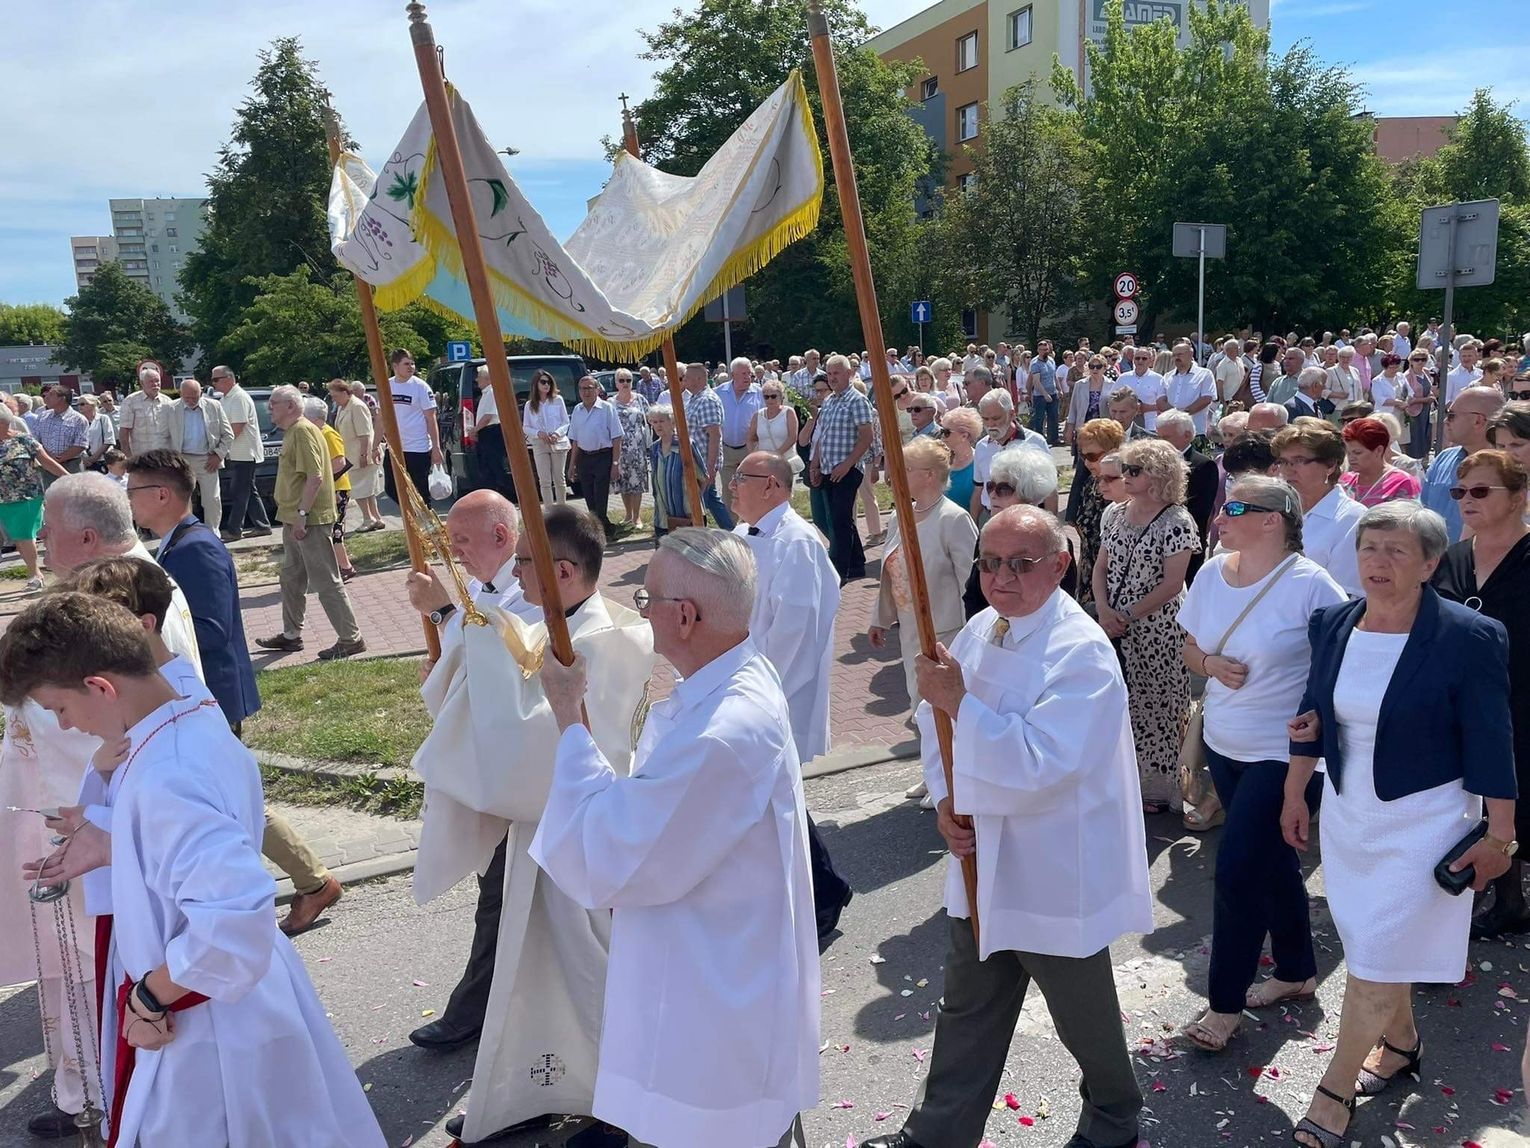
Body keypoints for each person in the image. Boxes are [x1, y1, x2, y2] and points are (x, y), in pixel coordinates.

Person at [1, 592, 389, 1148]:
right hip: (230, 999)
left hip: (207, 1024)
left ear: (101, 687)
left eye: (59, 708)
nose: (64, 725)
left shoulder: (167, 775)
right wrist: (114, 844)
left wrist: (149, 998)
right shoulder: (188, 715)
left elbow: (234, 920)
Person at [861, 506, 1152, 1148]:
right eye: (990, 563)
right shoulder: (982, 629)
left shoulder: (1080, 652)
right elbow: (938, 728)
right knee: (969, 1004)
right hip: (980, 852)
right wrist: (946, 799)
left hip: (1052, 861)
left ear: (1060, 565)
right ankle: (938, 1133)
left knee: (1080, 1012)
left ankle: (1114, 1119)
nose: (1001, 578)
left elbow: (1046, 762)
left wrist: (959, 702)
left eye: (1021, 564)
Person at [530, 528, 819, 1148]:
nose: (641, 610)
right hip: (714, 958)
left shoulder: (723, 730)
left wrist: (568, 715)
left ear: (685, 617)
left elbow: (609, 852)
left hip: (711, 990)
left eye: (647, 598)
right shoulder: (739, 674)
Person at [415, 505, 653, 1145]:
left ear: (564, 571)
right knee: (534, 976)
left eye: (524, 563)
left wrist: (470, 648)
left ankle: (621, 1102)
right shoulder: (560, 628)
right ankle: (533, 1091)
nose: (515, 575)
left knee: (589, 973)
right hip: (543, 833)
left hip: (580, 838)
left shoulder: (597, 642)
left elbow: (541, 741)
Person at [1282, 501, 1516, 1148]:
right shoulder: (1334, 622)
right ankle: (1404, 1044)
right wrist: (1296, 790)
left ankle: (1334, 1091)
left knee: (1379, 954)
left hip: (1427, 820)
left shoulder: (1468, 635)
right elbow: (1314, 709)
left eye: (1395, 551)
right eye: (1369, 548)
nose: (1377, 562)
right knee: (1375, 947)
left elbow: (1491, 738)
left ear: (1430, 564)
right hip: (1351, 815)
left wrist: (1500, 835)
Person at [1176, 476, 1346, 1052]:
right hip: (1223, 743)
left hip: (1283, 755)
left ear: (1273, 519)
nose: (1219, 516)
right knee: (1271, 864)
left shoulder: (1312, 585)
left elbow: (1338, 668)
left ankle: (1223, 1006)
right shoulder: (1209, 574)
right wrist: (1210, 664)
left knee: (1238, 871)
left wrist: (1315, 728)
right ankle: (1296, 970)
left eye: (1235, 507)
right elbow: (1189, 647)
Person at [401, 491, 542, 1055]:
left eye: (460, 540)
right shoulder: (486, 586)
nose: (452, 552)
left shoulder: (528, 589)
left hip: (524, 770)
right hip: (492, 761)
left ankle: (475, 1013)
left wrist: (442, 613)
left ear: (501, 536)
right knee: (504, 890)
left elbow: (509, 654)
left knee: (505, 893)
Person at [731, 451, 854, 940]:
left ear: (773, 486)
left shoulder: (797, 543)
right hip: (743, 682)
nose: (732, 485)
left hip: (774, 687)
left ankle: (824, 892)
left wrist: (758, 690)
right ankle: (808, 890)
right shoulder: (744, 534)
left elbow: (795, 630)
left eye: (742, 478)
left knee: (774, 793)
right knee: (767, 795)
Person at [1432, 450, 1530, 938]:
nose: (1466, 500)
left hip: (1522, 698)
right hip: (1461, 703)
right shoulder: (1453, 557)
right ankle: (1505, 899)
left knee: (1519, 795)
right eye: (1459, 491)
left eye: (1480, 491)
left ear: (1518, 497)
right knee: (1479, 798)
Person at [1094, 438, 1198, 812]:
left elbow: (1172, 584)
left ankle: (1165, 786)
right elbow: (1100, 567)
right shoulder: (1115, 514)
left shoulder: (1177, 521)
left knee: (1162, 706)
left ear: (1158, 475)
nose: (1125, 476)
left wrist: (1125, 615)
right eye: (1125, 469)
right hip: (1116, 625)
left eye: (1134, 470)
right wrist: (1104, 610)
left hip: (1160, 629)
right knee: (1125, 705)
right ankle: (1127, 780)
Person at [40, 471, 201, 666]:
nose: (40, 534)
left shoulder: (125, 600)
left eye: (49, 527)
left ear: (87, 538)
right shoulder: (139, 580)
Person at [869, 437, 978, 719]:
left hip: (947, 633)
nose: (895, 476)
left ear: (929, 475)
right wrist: (879, 619)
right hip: (909, 631)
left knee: (942, 714)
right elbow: (892, 572)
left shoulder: (953, 519)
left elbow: (970, 583)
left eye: (905, 469)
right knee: (920, 709)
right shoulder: (900, 516)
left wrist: (972, 636)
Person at [253, 385, 364, 660]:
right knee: (291, 578)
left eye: (274, 403)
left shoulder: (302, 431)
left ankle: (351, 639)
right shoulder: (294, 431)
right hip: (294, 518)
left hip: (309, 520)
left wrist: (302, 515)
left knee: (326, 580)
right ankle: (291, 636)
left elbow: (315, 477)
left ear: (291, 406)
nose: (269, 408)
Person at [1268, 420, 1364, 596]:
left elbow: (1344, 594)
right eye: (1283, 461)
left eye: (1299, 461)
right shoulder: (1273, 508)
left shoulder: (1352, 519)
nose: (1288, 470)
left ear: (1330, 465)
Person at [810, 354, 874, 584]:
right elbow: (822, 436)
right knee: (840, 518)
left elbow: (867, 437)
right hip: (828, 469)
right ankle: (856, 564)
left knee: (839, 520)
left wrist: (847, 465)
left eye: (836, 373)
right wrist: (815, 464)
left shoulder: (857, 401)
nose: (832, 377)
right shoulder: (829, 401)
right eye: (829, 373)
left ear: (849, 374)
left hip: (848, 469)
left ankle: (840, 570)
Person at [1422, 385, 1505, 541]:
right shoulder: (1443, 459)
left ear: (1478, 421)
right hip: (1434, 555)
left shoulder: (1508, 471)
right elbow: (1423, 508)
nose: (1445, 421)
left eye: (1451, 415)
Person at [0, 407, 69, 588]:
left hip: (28, 496)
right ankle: (36, 571)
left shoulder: (24, 439)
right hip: (3, 499)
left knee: (24, 534)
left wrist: (69, 477)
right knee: (18, 537)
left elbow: (46, 461)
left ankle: (35, 574)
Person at [208, 365, 273, 540]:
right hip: (237, 453)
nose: (213, 383)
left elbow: (237, 427)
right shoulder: (226, 398)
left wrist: (221, 448)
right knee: (247, 490)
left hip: (245, 453)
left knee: (239, 491)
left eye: (216, 379)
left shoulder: (238, 397)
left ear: (229, 378)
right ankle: (262, 525)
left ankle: (234, 530)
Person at [1156, 410, 1216, 583]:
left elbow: (1201, 510)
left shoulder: (1203, 465)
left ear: (1187, 435)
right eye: (1159, 437)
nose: (1161, 443)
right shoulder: (1154, 464)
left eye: (1166, 437)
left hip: (1186, 545)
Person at [1074, 418, 1127, 612]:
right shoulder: (1090, 484)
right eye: (1083, 456)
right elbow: (1085, 543)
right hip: (1088, 579)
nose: (1087, 462)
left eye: (1093, 456)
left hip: (1114, 586)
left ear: (1113, 452)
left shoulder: (1124, 489)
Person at [167, 377, 233, 531]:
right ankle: (187, 533)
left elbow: (228, 435)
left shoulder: (214, 406)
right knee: (183, 499)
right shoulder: (170, 408)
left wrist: (218, 455)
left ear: (201, 393)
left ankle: (213, 533)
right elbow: (164, 436)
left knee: (212, 499)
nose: (191, 401)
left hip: (207, 459)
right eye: (187, 398)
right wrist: (170, 460)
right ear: (180, 394)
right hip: (181, 459)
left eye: (195, 397)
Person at [382, 348, 443, 507]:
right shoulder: (387, 386)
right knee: (391, 487)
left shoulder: (420, 387)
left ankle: (425, 517)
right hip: (395, 448)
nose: (411, 367)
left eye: (412, 364)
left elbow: (431, 419)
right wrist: (374, 446)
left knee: (420, 491)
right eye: (406, 364)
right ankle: (412, 513)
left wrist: (436, 448)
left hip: (418, 448)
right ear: (395, 366)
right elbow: (381, 418)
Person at [568, 375, 624, 538]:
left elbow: (617, 437)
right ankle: (603, 528)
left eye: (589, 388)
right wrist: (572, 465)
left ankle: (600, 531)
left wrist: (615, 463)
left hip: (603, 456)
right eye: (582, 389)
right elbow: (575, 440)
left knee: (600, 497)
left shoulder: (606, 408)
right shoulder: (577, 410)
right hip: (584, 458)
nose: (586, 392)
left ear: (597, 390)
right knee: (589, 496)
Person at [681, 361, 734, 529]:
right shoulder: (695, 398)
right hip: (696, 462)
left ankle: (703, 533)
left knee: (700, 503)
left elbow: (715, 435)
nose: (683, 381)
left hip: (703, 463)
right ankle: (730, 531)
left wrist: (709, 469)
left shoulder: (707, 400)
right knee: (710, 500)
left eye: (686, 378)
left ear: (697, 379)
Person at [647, 402, 707, 544]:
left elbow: (703, 478)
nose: (658, 425)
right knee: (664, 553)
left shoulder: (685, 445)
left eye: (662, 421)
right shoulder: (654, 448)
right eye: (654, 422)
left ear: (673, 422)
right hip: (663, 516)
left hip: (688, 515)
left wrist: (694, 504)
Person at [331, 378, 385, 532]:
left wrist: (363, 455)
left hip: (360, 454)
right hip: (351, 454)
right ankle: (376, 518)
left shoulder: (357, 406)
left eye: (335, 396)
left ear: (344, 393)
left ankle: (368, 519)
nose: (333, 399)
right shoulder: (343, 407)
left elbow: (365, 434)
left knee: (360, 489)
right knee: (367, 489)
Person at [1338, 417, 1421, 506]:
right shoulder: (1345, 480)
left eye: (1357, 452)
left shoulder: (1402, 483)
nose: (1351, 458)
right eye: (1348, 452)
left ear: (1378, 450)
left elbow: (1407, 514)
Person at [718, 357, 765, 511]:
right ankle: (730, 524)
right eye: (744, 373)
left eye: (749, 373)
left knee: (750, 488)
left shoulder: (759, 393)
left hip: (749, 449)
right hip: (726, 449)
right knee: (728, 490)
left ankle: (751, 520)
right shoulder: (719, 392)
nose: (747, 377)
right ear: (733, 375)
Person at [521, 368, 572, 503]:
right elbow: (526, 427)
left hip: (557, 442)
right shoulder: (529, 405)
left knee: (559, 478)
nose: (546, 385)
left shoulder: (558, 400)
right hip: (540, 443)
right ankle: (549, 510)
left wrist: (557, 433)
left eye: (549, 382)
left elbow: (565, 422)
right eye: (543, 382)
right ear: (536, 384)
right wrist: (538, 433)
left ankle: (561, 508)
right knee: (544, 480)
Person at [610, 368, 652, 527]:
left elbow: (650, 418)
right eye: (621, 380)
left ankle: (637, 517)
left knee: (637, 482)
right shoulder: (610, 403)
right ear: (616, 383)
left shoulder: (640, 399)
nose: (625, 383)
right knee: (624, 483)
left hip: (638, 448)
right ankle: (628, 515)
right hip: (619, 449)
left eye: (628, 380)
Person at [747, 378, 801, 479]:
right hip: (764, 464)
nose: (770, 400)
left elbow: (792, 438)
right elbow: (750, 439)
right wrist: (754, 456)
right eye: (766, 397)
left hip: (784, 461)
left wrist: (775, 456)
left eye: (773, 396)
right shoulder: (757, 415)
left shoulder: (788, 412)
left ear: (781, 396)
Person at [116, 366, 175, 458]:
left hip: (164, 456)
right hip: (141, 457)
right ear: (142, 383)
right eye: (151, 381)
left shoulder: (168, 401)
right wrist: (128, 458)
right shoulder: (130, 401)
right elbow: (124, 432)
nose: (155, 384)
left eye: (157, 381)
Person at [32, 384, 89, 478]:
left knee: (73, 487)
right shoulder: (42, 416)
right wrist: (48, 457)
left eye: (51, 394)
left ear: (62, 398)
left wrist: (60, 458)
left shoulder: (79, 419)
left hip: (71, 465)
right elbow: (35, 440)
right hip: (47, 466)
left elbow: (81, 444)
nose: (46, 397)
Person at [1164, 342, 1218, 436]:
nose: (1176, 358)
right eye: (1174, 355)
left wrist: (1182, 415)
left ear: (1190, 354)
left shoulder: (1205, 374)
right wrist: (1173, 416)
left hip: (1195, 430)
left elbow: (1206, 399)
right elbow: (1162, 400)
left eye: (1180, 354)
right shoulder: (1167, 376)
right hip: (1172, 430)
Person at [939, 406, 981, 514]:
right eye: (941, 431)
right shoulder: (939, 461)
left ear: (964, 436)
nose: (942, 436)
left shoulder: (979, 462)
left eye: (946, 432)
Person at [1120, 346, 1167, 432]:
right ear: (1133, 360)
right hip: (1126, 425)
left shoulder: (1158, 379)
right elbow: (1112, 399)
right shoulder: (1123, 378)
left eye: (1144, 358)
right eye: (1137, 358)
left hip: (1151, 425)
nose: (1140, 361)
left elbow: (1164, 404)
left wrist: (1144, 408)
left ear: (1150, 360)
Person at [78, 393, 116, 471]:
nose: (79, 406)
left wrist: (94, 458)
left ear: (92, 405)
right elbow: (77, 442)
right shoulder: (78, 422)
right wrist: (84, 457)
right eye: (78, 404)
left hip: (104, 460)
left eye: (82, 404)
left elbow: (109, 440)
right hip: (86, 462)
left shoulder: (103, 418)